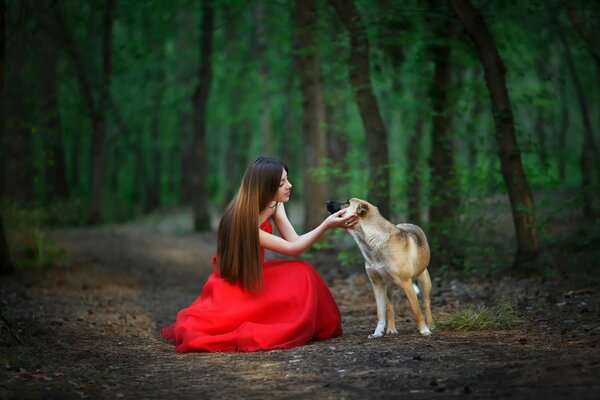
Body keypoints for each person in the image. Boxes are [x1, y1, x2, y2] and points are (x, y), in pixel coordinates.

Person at [161, 156, 357, 352]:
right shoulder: (242, 222)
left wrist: (328, 223)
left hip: (254, 273)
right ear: (265, 187)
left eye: (287, 179)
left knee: (303, 271)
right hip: (236, 285)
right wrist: (327, 225)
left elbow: (294, 240)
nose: (289, 185)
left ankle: (311, 324)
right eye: (282, 183)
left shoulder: (274, 203)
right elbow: (294, 250)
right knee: (302, 273)